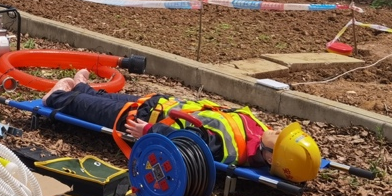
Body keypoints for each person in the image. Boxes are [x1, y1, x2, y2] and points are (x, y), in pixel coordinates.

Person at [43, 70, 321, 182]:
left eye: (279, 138)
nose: (276, 131)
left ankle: (57, 96)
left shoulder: (229, 151)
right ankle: (83, 88)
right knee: (100, 97)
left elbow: (190, 143)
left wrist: (150, 133)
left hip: (144, 118)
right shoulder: (259, 132)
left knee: (80, 105)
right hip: (162, 103)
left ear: (271, 157)